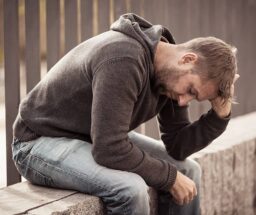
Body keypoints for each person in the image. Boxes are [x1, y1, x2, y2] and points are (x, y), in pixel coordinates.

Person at [12, 13, 239, 215]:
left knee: (188, 171)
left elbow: (177, 146)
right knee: (130, 190)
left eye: (193, 97)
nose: (183, 100)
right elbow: (109, 148)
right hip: (37, 142)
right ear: (188, 59)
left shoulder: (169, 76)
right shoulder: (124, 59)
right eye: (191, 91)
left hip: (89, 137)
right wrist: (169, 177)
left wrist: (220, 115)